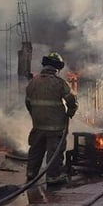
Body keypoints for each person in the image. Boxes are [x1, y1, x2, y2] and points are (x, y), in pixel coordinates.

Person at [25, 51, 78, 186]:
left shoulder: (33, 82)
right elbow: (71, 100)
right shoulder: (60, 83)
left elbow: (28, 103)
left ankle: (31, 174)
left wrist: (35, 116)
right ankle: (53, 177)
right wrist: (71, 112)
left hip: (38, 124)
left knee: (36, 149)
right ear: (57, 69)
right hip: (56, 126)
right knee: (55, 151)